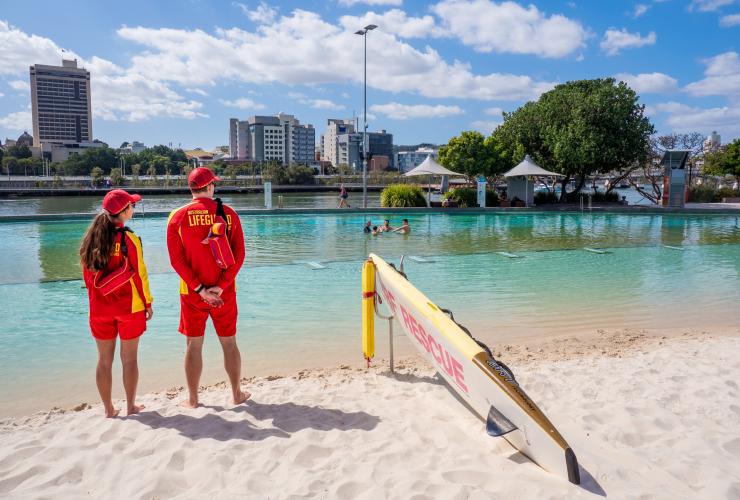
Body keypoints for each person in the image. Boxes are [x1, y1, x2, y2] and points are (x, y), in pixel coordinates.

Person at [167, 167, 249, 408]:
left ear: (191, 188)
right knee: (229, 343)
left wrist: (199, 289)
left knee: (193, 345)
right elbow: (240, 255)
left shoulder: (177, 217)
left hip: (192, 294)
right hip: (225, 293)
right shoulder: (229, 214)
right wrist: (221, 286)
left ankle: (193, 400)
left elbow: (176, 261)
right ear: (210, 186)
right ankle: (236, 394)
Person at [80, 189, 153, 418]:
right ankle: (130, 406)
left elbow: (88, 279)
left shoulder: (90, 239)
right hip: (129, 308)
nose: (133, 208)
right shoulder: (128, 238)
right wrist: (148, 303)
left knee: (103, 361)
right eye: (131, 205)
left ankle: (109, 409)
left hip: (99, 309)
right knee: (129, 360)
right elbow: (140, 274)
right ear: (122, 212)